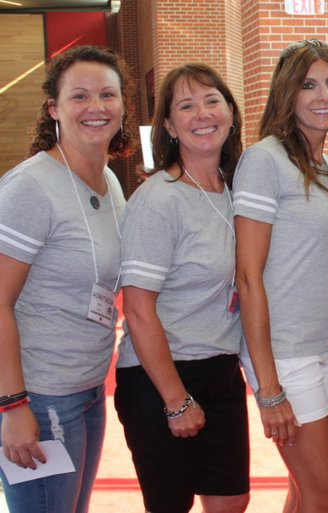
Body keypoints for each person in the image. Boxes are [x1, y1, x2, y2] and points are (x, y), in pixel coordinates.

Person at [0, 45, 132, 513]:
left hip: (89, 387)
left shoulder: (110, 181)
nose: (96, 107)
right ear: (54, 108)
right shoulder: (30, 188)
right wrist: (12, 407)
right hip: (39, 394)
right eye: (79, 96)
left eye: (107, 95)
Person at [113, 63, 248, 513]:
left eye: (212, 101)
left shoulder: (236, 189)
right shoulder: (159, 199)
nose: (202, 114)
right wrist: (175, 401)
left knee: (232, 501)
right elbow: (137, 308)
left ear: (230, 111)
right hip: (162, 378)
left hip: (222, 371)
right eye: (186, 106)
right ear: (168, 125)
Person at [234, 39, 328, 513]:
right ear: (287, 95)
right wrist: (268, 387)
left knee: (306, 490)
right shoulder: (264, 160)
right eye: (308, 85)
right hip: (286, 354)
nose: (324, 94)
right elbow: (247, 276)